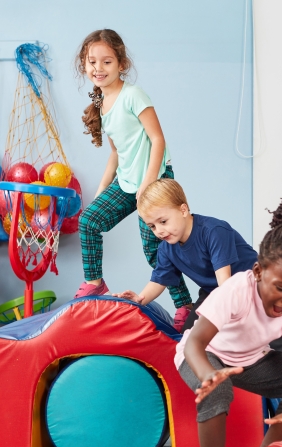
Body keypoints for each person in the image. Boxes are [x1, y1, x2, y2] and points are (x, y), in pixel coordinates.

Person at [177, 196, 282, 447]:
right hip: (202, 354)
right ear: (258, 272)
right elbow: (195, 342)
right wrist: (208, 374)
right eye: (281, 288)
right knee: (218, 390)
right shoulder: (236, 290)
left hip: (249, 360)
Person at [73, 28, 193, 331]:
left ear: (121, 64)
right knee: (88, 221)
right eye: (92, 62)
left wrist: (149, 184)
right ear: (84, 65)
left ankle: (186, 307)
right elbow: (115, 153)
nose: (98, 69)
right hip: (127, 182)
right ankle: (95, 283)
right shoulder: (102, 103)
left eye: (107, 62)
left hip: (154, 180)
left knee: (155, 249)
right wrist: (102, 189)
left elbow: (158, 139)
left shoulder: (133, 95)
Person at [113, 178, 258, 332]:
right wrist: (139, 299)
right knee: (188, 338)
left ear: (183, 210)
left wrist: (223, 319)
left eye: (163, 221)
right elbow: (158, 280)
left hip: (252, 287)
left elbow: (225, 284)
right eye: (152, 226)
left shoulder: (213, 231)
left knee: (247, 331)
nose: (159, 231)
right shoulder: (166, 248)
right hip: (214, 291)